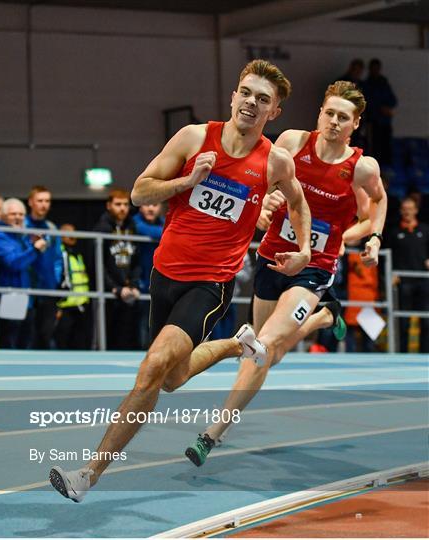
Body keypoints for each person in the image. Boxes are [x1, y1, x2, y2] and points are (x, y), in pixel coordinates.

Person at [49, 59, 312, 502]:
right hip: (164, 274)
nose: (251, 102)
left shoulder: (275, 161)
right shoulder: (194, 137)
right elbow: (139, 191)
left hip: (210, 284)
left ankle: (87, 475)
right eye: (246, 92)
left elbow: (300, 205)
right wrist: (188, 180)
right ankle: (235, 344)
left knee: (151, 369)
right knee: (170, 380)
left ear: (274, 112)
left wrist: (303, 250)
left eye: (263, 99)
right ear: (233, 95)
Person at [184, 80, 388, 466]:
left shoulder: (361, 167)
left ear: (355, 123)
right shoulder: (294, 142)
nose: (333, 122)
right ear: (319, 114)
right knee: (266, 354)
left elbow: (378, 201)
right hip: (273, 258)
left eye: (343, 117)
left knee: (263, 346)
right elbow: (263, 177)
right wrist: (265, 204)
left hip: (313, 267)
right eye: (329, 113)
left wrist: (371, 235)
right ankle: (324, 317)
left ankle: (212, 434)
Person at [0, 198, 47, 348]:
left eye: (21, 214)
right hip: (9, 296)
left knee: (26, 342)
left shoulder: (22, 236)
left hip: (26, 297)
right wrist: (35, 249)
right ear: (3, 216)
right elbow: (14, 263)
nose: (18, 217)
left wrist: (35, 246)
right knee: (10, 342)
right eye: (13, 214)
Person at [93, 188, 141, 350]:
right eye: (118, 204)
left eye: (126, 204)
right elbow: (97, 263)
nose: (122, 208)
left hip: (128, 291)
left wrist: (134, 284)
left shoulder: (132, 227)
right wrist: (114, 287)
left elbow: (136, 260)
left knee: (128, 337)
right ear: (108, 205)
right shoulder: (102, 228)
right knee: (108, 338)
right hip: (109, 293)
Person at [386, 197, 429, 353]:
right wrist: (391, 274)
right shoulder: (394, 232)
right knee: (403, 322)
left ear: (416, 210)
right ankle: (402, 355)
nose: (407, 212)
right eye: (404, 209)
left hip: (424, 281)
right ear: (400, 211)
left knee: (426, 322)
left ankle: (425, 355)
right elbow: (386, 255)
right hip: (402, 282)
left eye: (410, 208)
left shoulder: (425, 230)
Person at [25, 186, 63, 349]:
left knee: (46, 335)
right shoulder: (21, 226)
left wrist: (54, 282)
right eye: (40, 201)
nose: (44, 205)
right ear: (31, 202)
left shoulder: (52, 229)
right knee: (26, 336)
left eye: (47, 201)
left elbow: (58, 259)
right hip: (27, 290)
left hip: (48, 290)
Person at [54, 223, 92, 350]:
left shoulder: (78, 254)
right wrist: (56, 305)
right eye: (68, 233)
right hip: (64, 306)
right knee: (62, 343)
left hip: (80, 306)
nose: (72, 236)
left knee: (80, 343)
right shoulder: (58, 254)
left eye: (74, 233)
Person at [133, 203, 165, 349]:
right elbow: (141, 228)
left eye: (154, 205)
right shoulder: (133, 222)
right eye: (147, 204)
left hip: (161, 280)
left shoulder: (164, 221)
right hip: (138, 282)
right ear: (140, 206)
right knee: (141, 322)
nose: (151, 208)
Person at [363, 59, 397, 166]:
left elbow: (393, 100)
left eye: (377, 68)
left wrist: (387, 108)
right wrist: (380, 108)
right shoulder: (366, 84)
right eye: (374, 68)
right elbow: (367, 102)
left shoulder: (384, 82)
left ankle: (387, 171)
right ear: (370, 69)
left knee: (386, 147)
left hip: (385, 121)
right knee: (374, 148)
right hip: (373, 121)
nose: (376, 70)